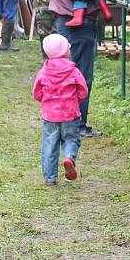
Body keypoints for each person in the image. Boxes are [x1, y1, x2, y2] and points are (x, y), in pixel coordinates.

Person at [48, 0, 107, 138]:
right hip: (75, 25)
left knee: (77, 73)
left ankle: (71, 123)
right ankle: (76, 125)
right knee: (80, 75)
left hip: (80, 23)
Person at [32, 33, 88, 185]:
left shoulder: (44, 72)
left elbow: (37, 93)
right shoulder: (73, 71)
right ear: (65, 52)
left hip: (50, 116)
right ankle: (69, 158)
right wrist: (76, 100)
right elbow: (83, 90)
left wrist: (46, 101)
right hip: (71, 114)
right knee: (71, 138)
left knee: (50, 144)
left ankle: (50, 178)